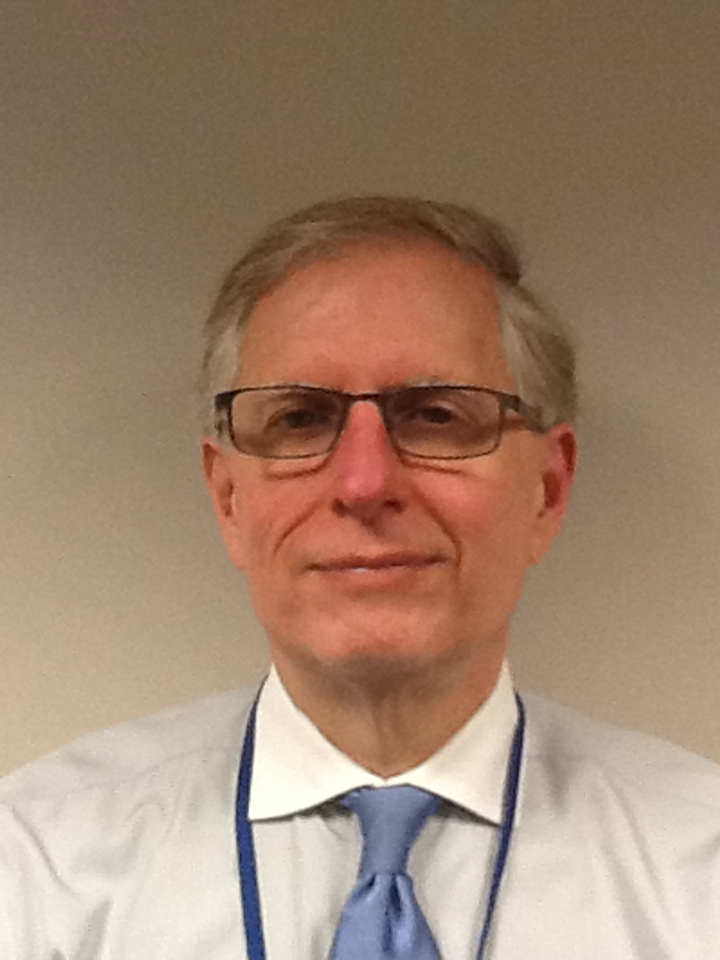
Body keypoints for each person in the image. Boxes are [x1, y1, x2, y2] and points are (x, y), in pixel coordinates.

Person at [1, 196, 719, 959]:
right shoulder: (36, 867)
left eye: (436, 414)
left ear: (548, 489)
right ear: (229, 498)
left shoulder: (699, 868)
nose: (365, 483)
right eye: (300, 419)